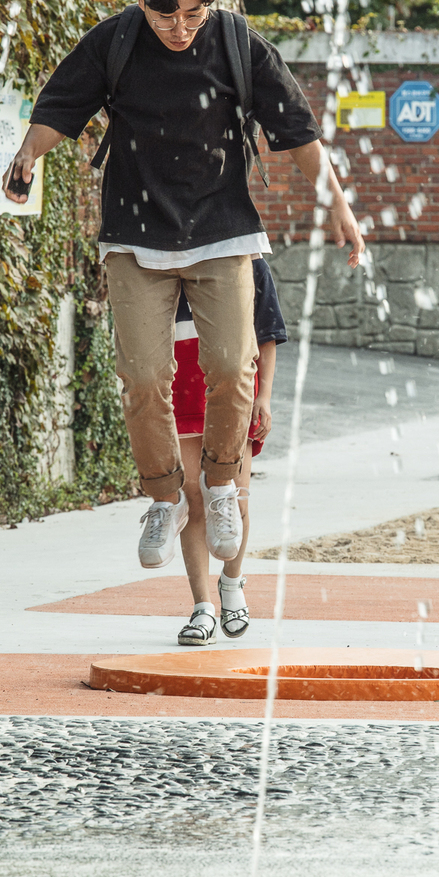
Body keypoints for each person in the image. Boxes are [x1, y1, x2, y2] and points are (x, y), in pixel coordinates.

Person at [1, 0, 363, 568]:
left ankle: (221, 483)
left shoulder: (233, 42)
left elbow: (298, 128)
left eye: (193, 13)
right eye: (165, 14)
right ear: (141, 0)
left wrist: (337, 201)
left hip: (223, 233)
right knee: (143, 377)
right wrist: (29, 153)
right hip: (135, 238)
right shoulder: (114, 42)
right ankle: (164, 495)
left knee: (231, 366)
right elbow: (62, 107)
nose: (179, 27)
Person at [173, 256, 285, 645]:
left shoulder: (249, 262)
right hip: (181, 395)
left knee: (236, 502)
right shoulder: (164, 263)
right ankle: (202, 608)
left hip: (235, 398)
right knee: (194, 501)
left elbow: (266, 336)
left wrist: (264, 397)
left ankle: (232, 583)